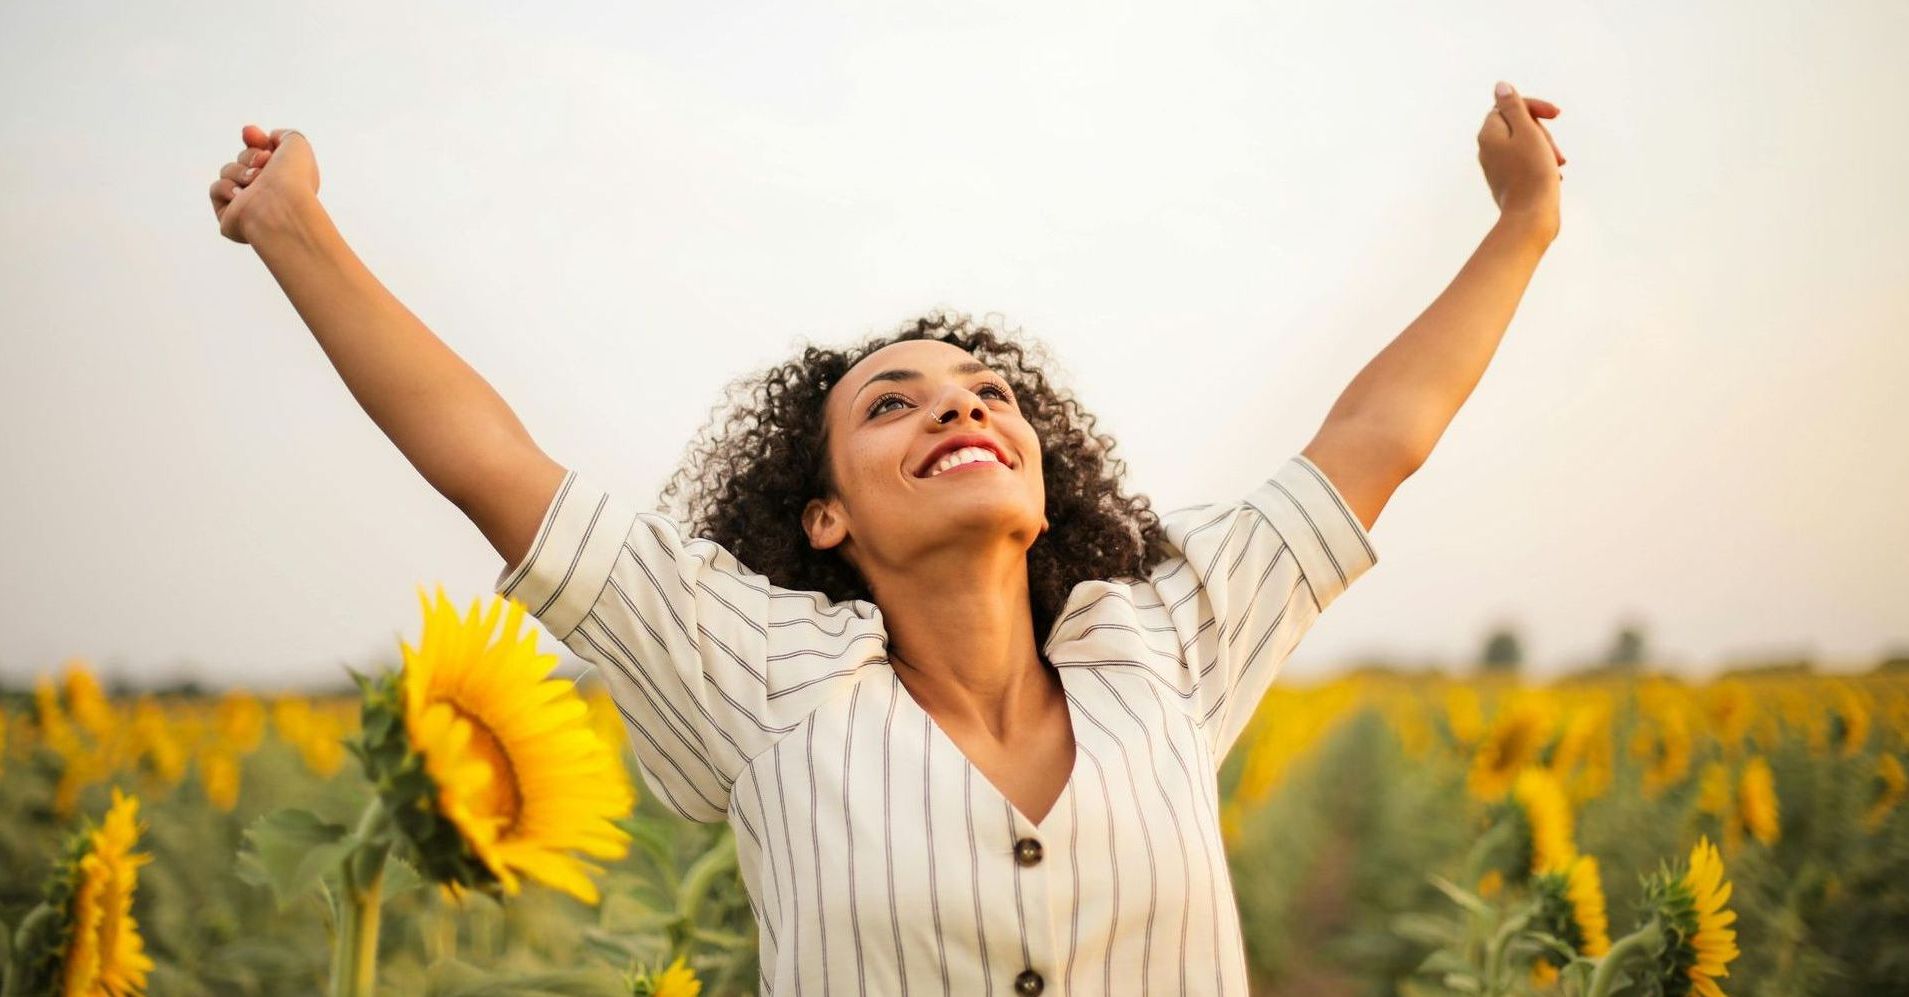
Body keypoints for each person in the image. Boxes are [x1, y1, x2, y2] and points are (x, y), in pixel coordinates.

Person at [209, 80, 1563, 995]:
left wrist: (1521, 224)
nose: (958, 407)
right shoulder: (753, 674)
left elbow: (1375, 436)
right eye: (892, 402)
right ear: (825, 513)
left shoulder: (1157, 635)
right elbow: (493, 466)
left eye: (987, 397)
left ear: (1041, 479)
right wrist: (294, 229)